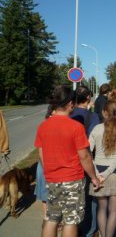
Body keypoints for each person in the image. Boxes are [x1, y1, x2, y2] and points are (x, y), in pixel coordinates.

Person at [34, 85, 100, 237]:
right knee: (71, 221)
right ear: (70, 103)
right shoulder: (76, 127)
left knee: (52, 218)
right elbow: (84, 156)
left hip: (52, 180)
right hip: (72, 179)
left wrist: (49, 173)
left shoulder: (43, 126)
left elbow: (41, 154)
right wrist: (93, 177)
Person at [89, 101, 116, 237]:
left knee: (101, 209)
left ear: (104, 112)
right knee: (114, 211)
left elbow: (88, 153)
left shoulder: (96, 129)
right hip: (115, 172)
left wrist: (98, 173)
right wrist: (106, 173)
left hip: (97, 171)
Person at [70, 85, 100, 237]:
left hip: (69, 161)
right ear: (88, 97)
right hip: (86, 159)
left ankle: (75, 229)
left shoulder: (69, 114)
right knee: (89, 200)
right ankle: (89, 230)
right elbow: (93, 144)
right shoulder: (93, 117)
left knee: (72, 200)